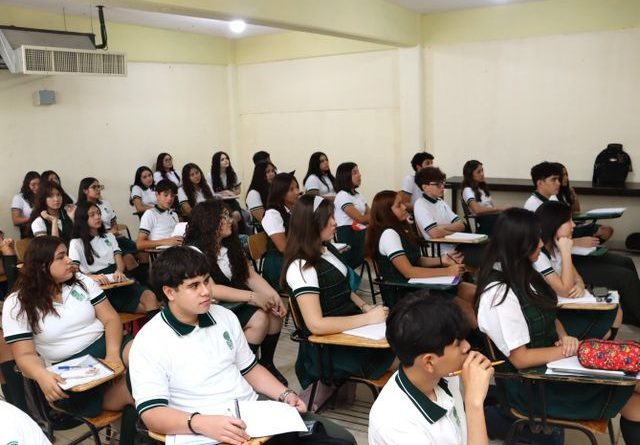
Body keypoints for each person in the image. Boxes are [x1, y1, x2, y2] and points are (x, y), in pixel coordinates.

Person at [129, 246, 356, 445]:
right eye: (194, 286)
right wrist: (200, 423)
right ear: (169, 292)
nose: (206, 291)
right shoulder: (150, 341)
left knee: (340, 440)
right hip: (204, 430)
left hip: (252, 416)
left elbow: (250, 368)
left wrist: (285, 394)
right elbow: (151, 413)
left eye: (206, 281)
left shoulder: (223, 316)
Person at [476, 208, 640, 444]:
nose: (542, 243)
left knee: (635, 393)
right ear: (520, 243)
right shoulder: (499, 293)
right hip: (533, 387)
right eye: (536, 238)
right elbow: (520, 359)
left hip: (551, 369)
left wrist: (564, 337)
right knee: (635, 398)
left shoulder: (524, 271)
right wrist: (571, 350)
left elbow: (551, 316)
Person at [2, 236, 137, 444]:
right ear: (42, 265)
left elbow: (111, 319)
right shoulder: (18, 303)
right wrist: (42, 375)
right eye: (61, 257)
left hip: (107, 345)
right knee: (141, 387)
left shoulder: (81, 281)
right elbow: (24, 355)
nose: (70, 260)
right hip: (70, 369)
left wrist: (112, 356)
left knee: (152, 357)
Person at [282, 195, 394, 391]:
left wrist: (365, 306)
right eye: (328, 218)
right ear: (311, 224)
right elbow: (316, 325)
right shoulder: (302, 267)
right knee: (408, 352)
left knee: (408, 338)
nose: (335, 222)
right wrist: (368, 319)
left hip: (348, 330)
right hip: (331, 348)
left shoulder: (326, 248)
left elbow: (342, 287)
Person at [184, 199, 288, 384]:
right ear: (210, 221)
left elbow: (250, 275)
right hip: (210, 306)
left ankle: (267, 363)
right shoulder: (195, 250)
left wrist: (273, 296)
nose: (230, 220)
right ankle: (243, 370)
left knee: (274, 311)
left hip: (234, 300)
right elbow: (212, 289)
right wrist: (253, 297)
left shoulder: (230, 244)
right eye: (224, 217)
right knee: (259, 319)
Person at [369, 294, 493, 445]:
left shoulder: (446, 375)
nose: (467, 346)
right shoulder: (394, 424)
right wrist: (474, 403)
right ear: (429, 362)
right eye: (458, 344)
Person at [364, 190, 476, 326]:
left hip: (419, 285)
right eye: (398, 205)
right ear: (386, 212)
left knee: (474, 293)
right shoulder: (389, 234)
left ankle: (475, 335)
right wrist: (447, 271)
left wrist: (442, 260)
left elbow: (416, 260)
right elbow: (408, 271)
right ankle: (477, 338)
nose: (404, 207)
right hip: (405, 293)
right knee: (465, 308)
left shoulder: (399, 229)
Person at [534, 201, 622, 338]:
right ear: (554, 224)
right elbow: (565, 291)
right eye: (568, 221)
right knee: (607, 327)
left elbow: (577, 277)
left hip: (563, 305)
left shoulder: (557, 246)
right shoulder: (539, 255)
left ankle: (602, 346)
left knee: (616, 308)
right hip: (550, 316)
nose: (573, 225)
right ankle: (600, 347)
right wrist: (566, 252)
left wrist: (580, 285)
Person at [69, 201, 160, 314]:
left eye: (98, 213)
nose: (97, 217)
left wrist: (119, 271)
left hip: (119, 279)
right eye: (92, 215)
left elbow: (118, 258)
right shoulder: (76, 243)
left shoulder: (109, 236)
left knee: (150, 297)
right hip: (101, 287)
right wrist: (92, 277)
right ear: (82, 219)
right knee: (149, 308)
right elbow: (74, 271)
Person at [414, 167, 485, 268]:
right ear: (425, 187)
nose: (442, 187)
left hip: (458, 245)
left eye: (442, 183)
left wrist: (441, 227)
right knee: (488, 255)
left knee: (491, 248)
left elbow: (461, 225)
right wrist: (450, 230)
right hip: (445, 253)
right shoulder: (420, 205)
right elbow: (435, 233)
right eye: (438, 184)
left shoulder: (440, 202)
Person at [78, 177, 138, 272]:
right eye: (94, 187)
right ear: (85, 190)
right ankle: (132, 278)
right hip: (98, 239)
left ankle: (142, 277)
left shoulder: (105, 203)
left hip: (113, 236)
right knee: (128, 258)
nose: (98, 189)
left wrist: (114, 230)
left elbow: (113, 222)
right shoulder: (80, 208)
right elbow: (83, 228)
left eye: (99, 186)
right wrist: (107, 232)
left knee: (139, 249)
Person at [556, 162, 613, 241]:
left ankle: (588, 245)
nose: (566, 178)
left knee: (607, 230)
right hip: (565, 229)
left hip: (573, 224)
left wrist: (573, 195)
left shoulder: (564, 193)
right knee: (605, 231)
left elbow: (576, 212)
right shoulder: (553, 196)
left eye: (566, 174)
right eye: (563, 175)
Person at [261, 172, 299, 289]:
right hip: (279, 263)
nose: (297, 192)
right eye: (291, 189)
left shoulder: (292, 210)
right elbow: (283, 247)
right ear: (280, 193)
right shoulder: (272, 214)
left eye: (297, 188)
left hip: (293, 256)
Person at [334, 162, 370, 269]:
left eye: (358, 172)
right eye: (355, 173)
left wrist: (371, 217)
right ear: (346, 177)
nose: (359, 175)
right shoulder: (342, 195)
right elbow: (360, 219)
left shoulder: (358, 195)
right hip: (349, 234)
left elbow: (370, 213)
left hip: (360, 232)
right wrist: (372, 217)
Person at [461, 160, 509, 235]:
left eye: (482, 170)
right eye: (478, 172)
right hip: (483, 221)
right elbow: (477, 210)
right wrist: (499, 208)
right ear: (470, 175)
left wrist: (505, 210)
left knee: (512, 217)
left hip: (491, 219)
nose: (482, 174)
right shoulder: (467, 190)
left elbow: (491, 207)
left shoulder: (482, 188)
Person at [136, 180, 182, 251]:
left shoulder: (174, 214)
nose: (169, 198)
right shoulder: (150, 214)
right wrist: (166, 241)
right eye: (165, 195)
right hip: (162, 253)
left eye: (172, 196)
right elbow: (139, 244)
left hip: (178, 250)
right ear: (157, 195)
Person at [209, 151, 243, 225]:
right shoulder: (210, 175)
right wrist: (223, 192)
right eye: (222, 159)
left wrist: (232, 193)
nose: (226, 160)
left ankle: (239, 231)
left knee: (236, 214)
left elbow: (239, 190)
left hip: (232, 201)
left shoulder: (233, 174)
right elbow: (210, 194)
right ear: (216, 162)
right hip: (218, 203)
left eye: (226, 158)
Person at [245, 160, 277, 225]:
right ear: (260, 175)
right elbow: (263, 219)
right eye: (267, 172)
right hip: (264, 228)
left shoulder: (273, 189)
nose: (272, 174)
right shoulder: (253, 194)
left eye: (273, 171)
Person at [11, 171, 40, 238]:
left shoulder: (44, 196)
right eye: (33, 184)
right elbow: (15, 220)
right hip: (29, 233)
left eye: (39, 184)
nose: (37, 187)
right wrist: (33, 217)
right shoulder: (19, 197)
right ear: (27, 185)